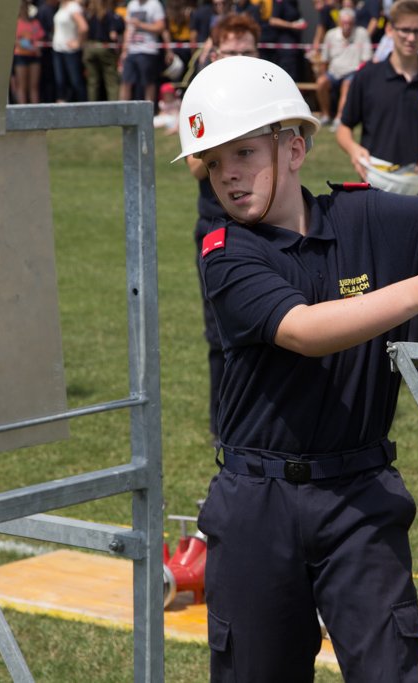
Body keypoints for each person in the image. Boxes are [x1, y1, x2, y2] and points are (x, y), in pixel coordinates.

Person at [173, 53, 418, 683]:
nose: (228, 174)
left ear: (295, 148)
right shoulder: (227, 254)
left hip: (359, 498)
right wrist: (416, 293)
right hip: (258, 504)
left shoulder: (362, 215)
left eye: (245, 152)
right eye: (214, 160)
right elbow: (303, 330)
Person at [336, 0, 418, 394]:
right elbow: (343, 128)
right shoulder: (368, 77)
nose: (411, 37)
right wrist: (355, 151)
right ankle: (373, 366)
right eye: (404, 30)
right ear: (390, 30)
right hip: (375, 197)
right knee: (374, 280)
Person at [183, 12, 263, 440]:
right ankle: (224, 427)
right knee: (220, 333)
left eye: (245, 52)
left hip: (267, 224)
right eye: (230, 52)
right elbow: (197, 168)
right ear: (214, 54)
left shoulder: (271, 94)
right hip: (217, 227)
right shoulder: (200, 99)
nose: (237, 59)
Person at [314, 7, 373, 126]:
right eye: (344, 22)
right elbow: (324, 60)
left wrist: (359, 74)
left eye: (350, 23)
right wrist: (322, 74)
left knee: (347, 84)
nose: (347, 25)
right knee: (321, 82)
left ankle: (339, 117)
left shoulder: (362, 33)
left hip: (353, 72)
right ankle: (326, 115)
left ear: (354, 22)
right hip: (333, 73)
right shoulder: (330, 34)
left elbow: (366, 59)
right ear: (339, 22)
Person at [120, 0, 167, 103]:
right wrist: (124, 50)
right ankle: (122, 110)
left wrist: (140, 24)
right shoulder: (132, 4)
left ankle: (149, 109)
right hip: (131, 50)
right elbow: (127, 29)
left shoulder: (155, 4)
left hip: (148, 50)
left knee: (148, 83)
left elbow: (161, 26)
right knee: (126, 82)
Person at [84, 0, 125, 101]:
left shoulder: (89, 14)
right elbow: (113, 35)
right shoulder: (109, 14)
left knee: (92, 82)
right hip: (104, 48)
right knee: (111, 81)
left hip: (90, 48)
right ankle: (114, 107)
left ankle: (91, 106)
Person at [260, 0, 308, 81]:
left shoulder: (293, 3)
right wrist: (292, 25)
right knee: (287, 71)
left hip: (294, 44)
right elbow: (273, 20)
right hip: (285, 46)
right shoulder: (280, 2)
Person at [52, 0, 88, 102]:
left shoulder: (73, 7)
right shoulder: (61, 6)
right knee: (60, 82)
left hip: (70, 52)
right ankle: (61, 106)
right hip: (58, 49)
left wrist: (78, 42)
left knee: (76, 82)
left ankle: (83, 106)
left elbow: (84, 27)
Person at [13, 0, 45, 104]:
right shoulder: (16, 23)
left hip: (34, 56)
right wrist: (29, 47)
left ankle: (35, 109)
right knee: (22, 86)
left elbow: (40, 37)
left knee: (34, 86)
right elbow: (15, 40)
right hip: (21, 56)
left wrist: (36, 47)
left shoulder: (35, 23)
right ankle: (22, 110)